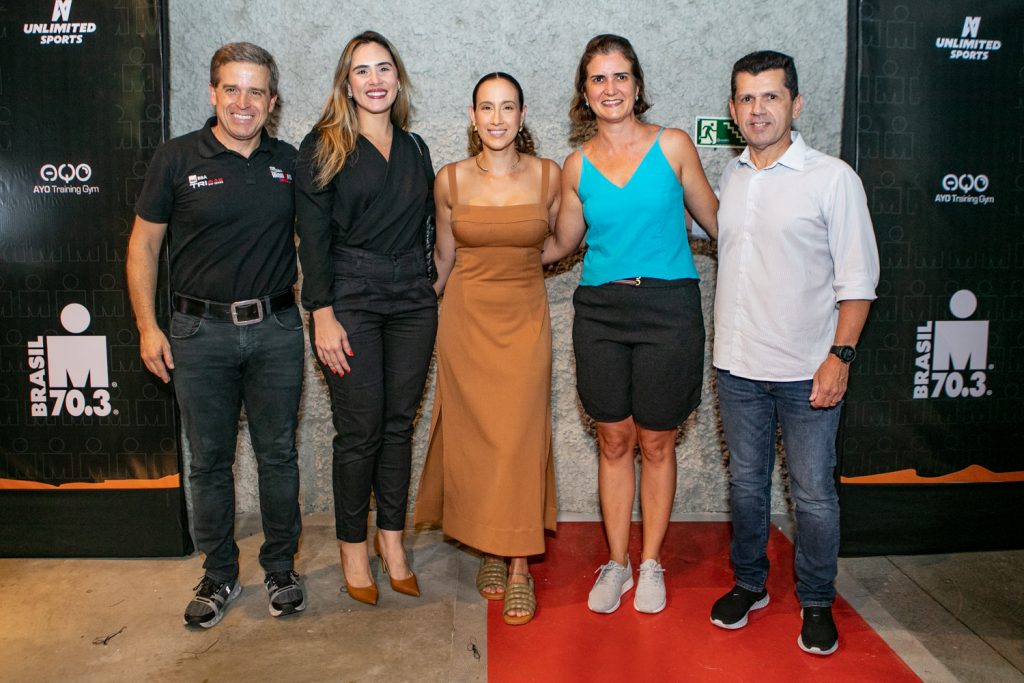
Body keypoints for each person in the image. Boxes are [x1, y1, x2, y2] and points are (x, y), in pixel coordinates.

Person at [127, 42, 305, 628]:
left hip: (277, 329)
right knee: (208, 463)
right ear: (212, 93)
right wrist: (149, 327)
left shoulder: (289, 163)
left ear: (272, 101)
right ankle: (220, 572)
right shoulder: (176, 158)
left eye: (256, 90)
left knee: (278, 456)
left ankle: (281, 567)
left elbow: (321, 240)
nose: (243, 102)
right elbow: (144, 245)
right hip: (198, 333)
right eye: (232, 88)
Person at [709, 50, 879, 656]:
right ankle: (750, 584)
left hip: (809, 370)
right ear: (733, 110)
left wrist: (840, 357)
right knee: (748, 487)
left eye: (771, 97)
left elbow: (858, 281)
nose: (759, 109)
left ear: (795, 104)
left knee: (812, 494)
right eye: (747, 99)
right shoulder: (732, 177)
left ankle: (815, 600)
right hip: (736, 365)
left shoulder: (832, 178)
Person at [543, 34, 719, 615]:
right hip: (600, 313)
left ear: (637, 86)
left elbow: (720, 225)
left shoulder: (673, 146)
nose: (610, 88)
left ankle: (651, 564)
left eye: (620, 77)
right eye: (598, 79)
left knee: (657, 440)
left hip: (669, 310)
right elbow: (562, 243)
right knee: (614, 439)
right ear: (585, 94)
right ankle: (616, 563)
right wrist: (492, 249)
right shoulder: (576, 165)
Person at [295, 31, 436, 606]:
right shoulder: (323, 145)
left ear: (397, 79)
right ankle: (353, 548)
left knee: (399, 425)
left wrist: (430, 286)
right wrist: (321, 313)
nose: (374, 80)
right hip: (348, 295)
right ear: (346, 83)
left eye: (384, 69)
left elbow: (429, 229)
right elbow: (312, 239)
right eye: (362, 71)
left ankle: (392, 542)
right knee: (360, 431)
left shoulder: (417, 148)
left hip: (412, 298)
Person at [414, 73, 560, 626]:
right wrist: (408, 310)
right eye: (486, 108)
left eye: (507, 108)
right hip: (466, 322)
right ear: (472, 117)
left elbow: (564, 241)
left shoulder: (550, 177)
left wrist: (517, 264)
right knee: (476, 439)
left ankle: (520, 565)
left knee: (520, 439)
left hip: (524, 319)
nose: (496, 119)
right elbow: (444, 260)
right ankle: (491, 550)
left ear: (522, 116)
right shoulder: (448, 181)